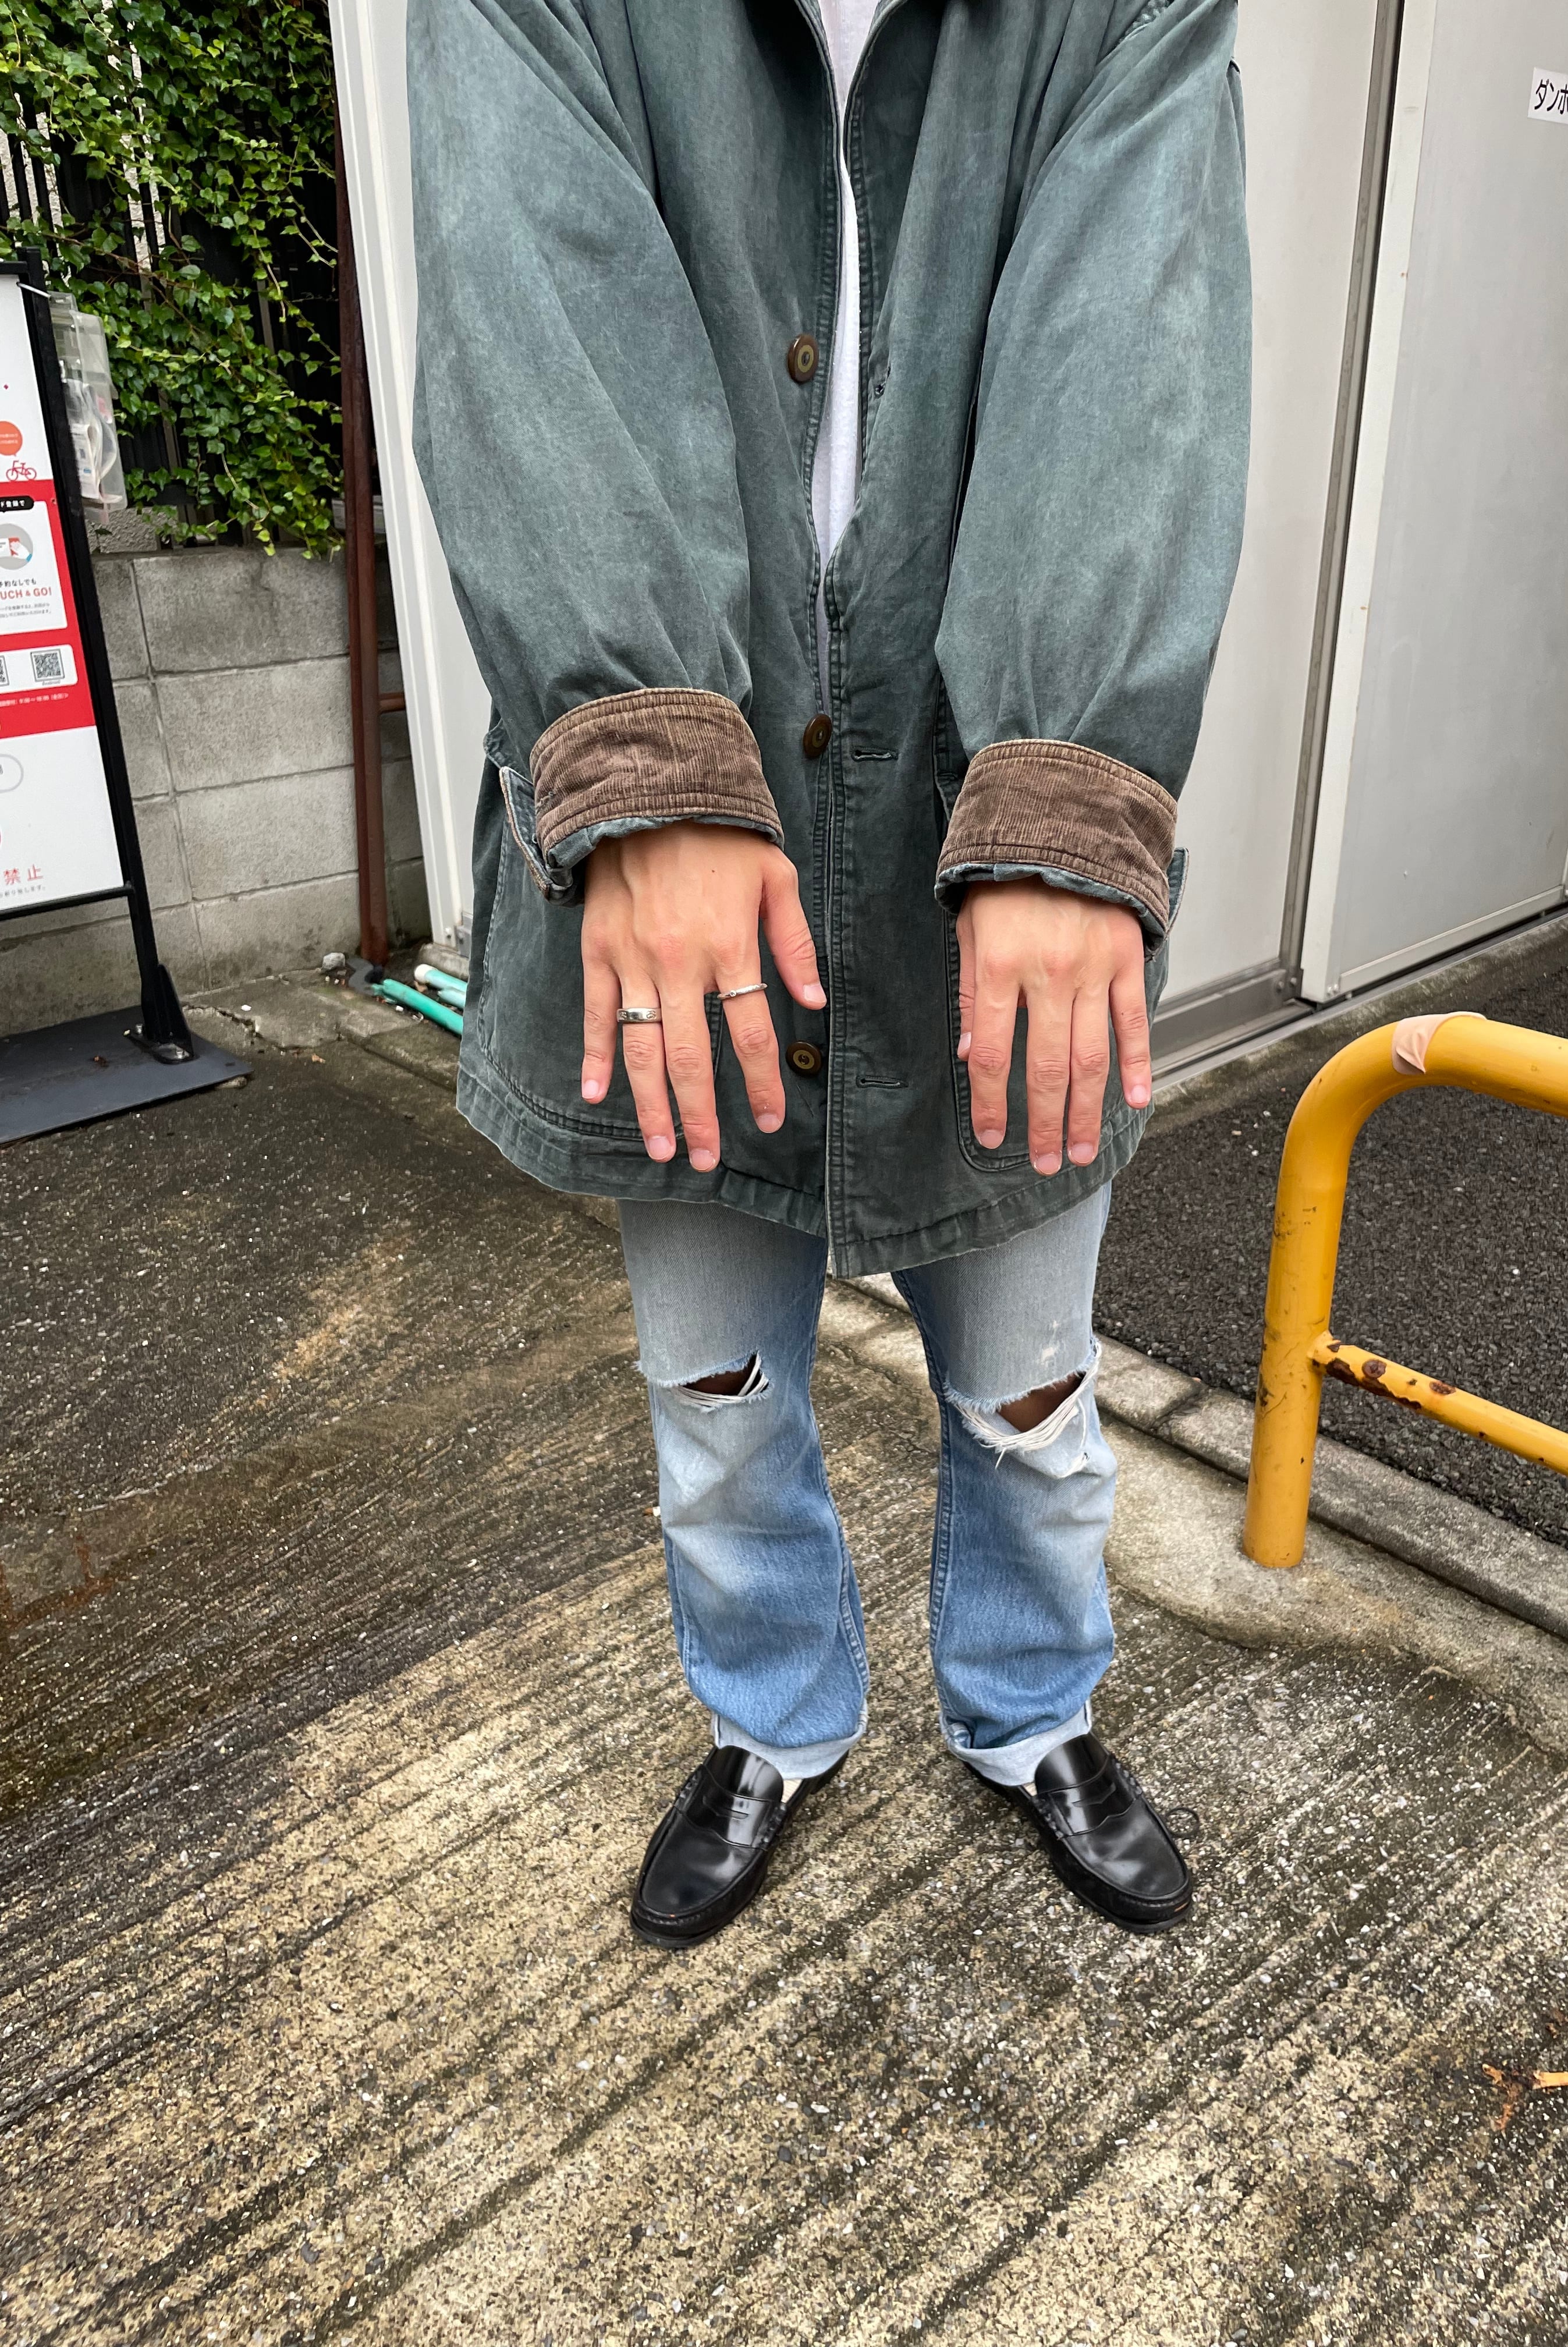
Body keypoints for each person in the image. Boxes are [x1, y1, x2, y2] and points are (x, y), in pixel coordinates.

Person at [408, 0, 1248, 1945]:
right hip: (684, 872)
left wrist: (1067, 774)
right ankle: (771, 1722)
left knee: (1034, 1396)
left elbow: (1132, 346)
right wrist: (641, 752)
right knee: (711, 1396)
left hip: (983, 850)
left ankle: (1034, 1714)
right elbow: (532, 302)